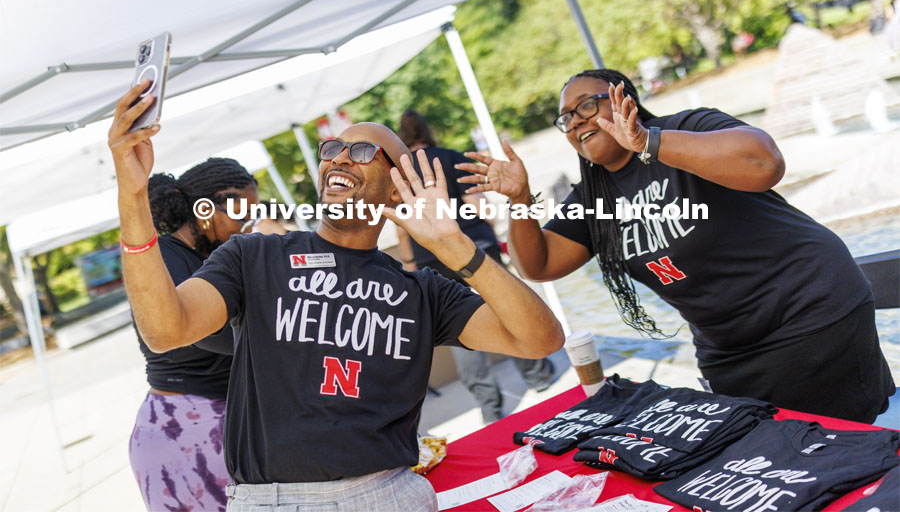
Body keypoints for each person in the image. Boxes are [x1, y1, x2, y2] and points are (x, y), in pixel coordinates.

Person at [108, 80, 564, 511]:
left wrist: (456, 247)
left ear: (397, 183)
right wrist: (131, 197)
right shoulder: (254, 255)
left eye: (362, 151)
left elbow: (540, 341)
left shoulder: (422, 290)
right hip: (270, 500)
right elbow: (166, 330)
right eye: (332, 149)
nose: (339, 158)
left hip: (385, 492)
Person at [459, 68, 895, 424]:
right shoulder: (594, 198)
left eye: (587, 106)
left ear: (622, 98)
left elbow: (765, 163)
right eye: (566, 118)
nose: (576, 122)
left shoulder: (685, 130)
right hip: (730, 353)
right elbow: (540, 264)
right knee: (768, 460)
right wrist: (519, 202)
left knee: (841, 452)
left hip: (810, 314)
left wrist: (649, 143)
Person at [129, 157, 285, 512]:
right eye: (241, 217)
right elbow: (219, 336)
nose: (247, 228)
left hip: (221, 419)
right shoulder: (166, 260)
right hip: (184, 433)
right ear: (203, 210)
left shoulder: (215, 257)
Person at [396, 110, 555, 423]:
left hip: (433, 261)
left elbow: (403, 229)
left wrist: (412, 264)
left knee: (460, 330)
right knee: (509, 312)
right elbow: (479, 207)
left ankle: (490, 408)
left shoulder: (402, 177)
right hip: (475, 248)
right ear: (429, 131)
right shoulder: (452, 158)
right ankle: (540, 377)